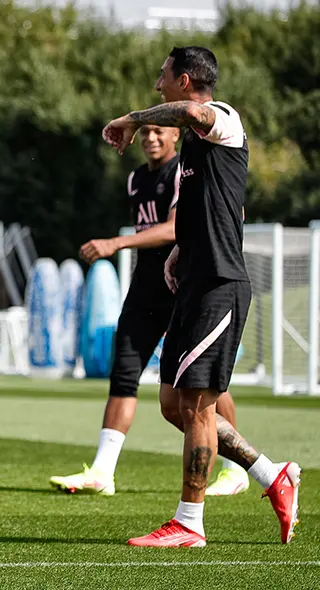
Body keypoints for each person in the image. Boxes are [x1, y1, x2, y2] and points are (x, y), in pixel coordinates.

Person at [102, 46, 300, 547]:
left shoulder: (223, 119)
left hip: (220, 284)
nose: (156, 85)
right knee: (173, 404)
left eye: (162, 76)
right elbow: (209, 207)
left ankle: (189, 523)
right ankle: (271, 473)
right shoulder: (194, 146)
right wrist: (177, 254)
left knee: (196, 406)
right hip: (193, 280)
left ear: (185, 79)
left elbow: (191, 112)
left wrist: (130, 118)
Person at [49, 124, 248, 497]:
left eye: (159, 131)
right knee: (123, 371)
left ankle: (236, 469)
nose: (151, 138)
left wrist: (115, 242)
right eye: (145, 133)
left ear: (175, 136)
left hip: (182, 285)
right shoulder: (137, 178)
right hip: (146, 286)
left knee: (203, 382)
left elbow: (174, 229)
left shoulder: (183, 171)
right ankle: (102, 472)